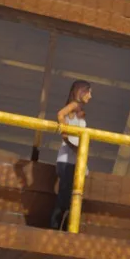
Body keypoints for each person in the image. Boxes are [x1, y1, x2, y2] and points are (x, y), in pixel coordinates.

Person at [49, 79, 92, 230]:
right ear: (81, 92)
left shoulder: (78, 110)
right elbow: (60, 114)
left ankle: (64, 230)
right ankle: (55, 230)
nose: (90, 96)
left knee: (71, 199)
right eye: (89, 92)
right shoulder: (74, 105)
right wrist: (67, 138)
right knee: (64, 199)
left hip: (74, 161)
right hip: (68, 160)